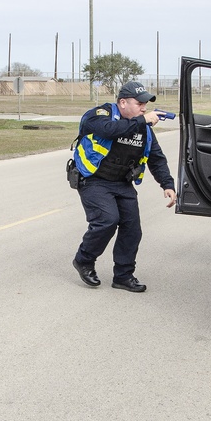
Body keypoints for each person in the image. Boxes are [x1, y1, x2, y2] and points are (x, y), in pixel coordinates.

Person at [71, 81, 177, 292]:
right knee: (107, 220)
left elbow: (156, 158)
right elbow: (108, 130)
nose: (144, 108)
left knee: (132, 229)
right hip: (94, 180)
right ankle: (84, 260)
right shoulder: (100, 115)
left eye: (145, 105)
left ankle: (123, 275)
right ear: (122, 102)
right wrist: (141, 120)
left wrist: (167, 184)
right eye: (139, 103)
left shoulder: (143, 129)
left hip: (122, 183)